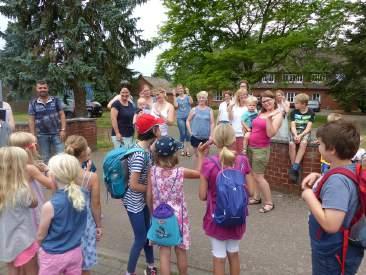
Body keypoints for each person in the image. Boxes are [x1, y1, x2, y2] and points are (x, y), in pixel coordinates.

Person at [301, 120, 364, 275]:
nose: (318, 146)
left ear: (332, 150)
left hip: (333, 252)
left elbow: (331, 225)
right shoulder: (348, 167)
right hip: (337, 248)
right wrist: (320, 177)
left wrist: (309, 196)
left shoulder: (337, 182)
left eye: (320, 144)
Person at [199, 123, 254, 275]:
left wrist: (201, 157)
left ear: (214, 141)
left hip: (216, 218)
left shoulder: (209, 163)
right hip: (237, 216)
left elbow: (202, 196)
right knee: (234, 253)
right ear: (233, 140)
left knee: (219, 257)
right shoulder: (242, 160)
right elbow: (252, 191)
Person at [146, 136, 206, 275]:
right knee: (181, 251)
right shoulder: (180, 172)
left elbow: (149, 196)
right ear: (174, 154)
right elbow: (199, 173)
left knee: (164, 253)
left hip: (160, 217)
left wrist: (152, 213)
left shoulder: (152, 171)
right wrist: (201, 155)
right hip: (179, 218)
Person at [123, 113, 164, 275]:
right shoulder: (139, 154)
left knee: (148, 234)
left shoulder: (145, 149)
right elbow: (133, 184)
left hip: (142, 201)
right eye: (157, 126)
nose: (160, 129)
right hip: (134, 203)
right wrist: (151, 189)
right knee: (140, 238)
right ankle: (129, 272)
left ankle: (151, 265)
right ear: (152, 130)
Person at [37, 153, 87, 275]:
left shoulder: (50, 206)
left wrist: (37, 248)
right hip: (75, 252)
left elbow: (41, 235)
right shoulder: (82, 194)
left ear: (52, 176)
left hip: (52, 255)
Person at [65, 135, 102, 275]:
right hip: (84, 223)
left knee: (68, 261)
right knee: (84, 263)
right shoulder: (90, 177)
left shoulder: (58, 173)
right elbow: (96, 204)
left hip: (64, 221)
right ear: (83, 152)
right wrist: (98, 225)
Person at [0, 146, 39, 275]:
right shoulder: (22, 190)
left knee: (13, 270)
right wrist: (27, 182)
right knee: (32, 270)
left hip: (7, 242)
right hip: (24, 241)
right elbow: (34, 203)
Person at [8, 132, 55, 230]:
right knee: (37, 227)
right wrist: (48, 170)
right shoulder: (30, 168)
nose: (37, 147)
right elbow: (51, 185)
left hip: (22, 203)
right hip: (34, 203)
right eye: (35, 145)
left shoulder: (15, 166)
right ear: (29, 149)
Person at [247, 90, 283, 213]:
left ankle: (269, 202)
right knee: (254, 175)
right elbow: (255, 127)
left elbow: (270, 133)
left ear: (274, 100)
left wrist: (268, 119)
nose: (266, 103)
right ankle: (257, 198)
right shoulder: (261, 113)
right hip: (251, 147)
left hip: (261, 149)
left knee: (259, 177)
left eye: (268, 100)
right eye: (263, 101)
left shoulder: (277, 114)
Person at [28, 80, 66, 163]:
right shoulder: (33, 103)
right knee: (45, 158)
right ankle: (47, 175)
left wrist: (63, 130)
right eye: (40, 88)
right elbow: (31, 119)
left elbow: (62, 115)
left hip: (57, 133)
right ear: (36, 89)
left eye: (44, 88)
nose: (42, 89)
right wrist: (33, 135)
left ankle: (61, 175)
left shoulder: (56, 100)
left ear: (48, 89)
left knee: (62, 157)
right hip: (42, 135)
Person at [288, 93, 315, 183]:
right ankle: (294, 168)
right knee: (292, 144)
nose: (294, 104)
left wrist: (300, 135)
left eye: (296, 103)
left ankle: (294, 167)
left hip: (304, 132)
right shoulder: (293, 112)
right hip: (295, 131)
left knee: (303, 143)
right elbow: (292, 126)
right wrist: (296, 135)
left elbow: (308, 128)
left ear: (303, 104)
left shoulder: (311, 112)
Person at [186, 91, 215, 156]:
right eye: (200, 98)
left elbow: (212, 123)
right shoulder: (193, 110)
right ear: (198, 99)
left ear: (206, 99)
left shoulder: (209, 110)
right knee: (197, 156)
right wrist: (190, 132)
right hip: (195, 137)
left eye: (203, 97)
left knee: (205, 156)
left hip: (206, 137)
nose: (201, 99)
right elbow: (187, 121)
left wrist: (211, 135)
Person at [173, 84, 193, 156]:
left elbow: (191, 102)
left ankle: (187, 150)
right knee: (182, 133)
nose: (180, 90)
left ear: (183, 89)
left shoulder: (187, 96)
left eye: (181, 88)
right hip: (180, 117)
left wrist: (188, 93)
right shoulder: (177, 98)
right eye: (178, 89)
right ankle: (182, 149)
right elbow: (176, 106)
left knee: (188, 134)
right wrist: (174, 96)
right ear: (177, 91)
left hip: (188, 118)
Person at [228, 88, 248, 154]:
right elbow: (230, 119)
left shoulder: (250, 107)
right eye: (241, 95)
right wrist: (230, 109)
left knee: (242, 155)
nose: (243, 96)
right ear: (238, 97)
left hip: (243, 135)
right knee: (233, 154)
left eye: (245, 94)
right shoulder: (234, 107)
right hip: (233, 134)